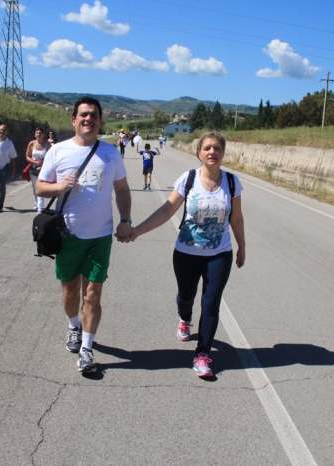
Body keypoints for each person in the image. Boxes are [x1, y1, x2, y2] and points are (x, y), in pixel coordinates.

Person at [120, 131, 245, 378]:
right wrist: (137, 231)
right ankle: (184, 318)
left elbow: (236, 217)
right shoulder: (188, 180)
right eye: (207, 148)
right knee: (186, 297)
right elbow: (166, 211)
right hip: (186, 253)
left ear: (223, 153)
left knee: (211, 303)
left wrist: (242, 246)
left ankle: (202, 353)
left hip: (220, 253)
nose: (212, 152)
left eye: (217, 148)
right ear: (199, 153)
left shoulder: (232, 183)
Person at [36, 97, 133, 374]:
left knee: (93, 294)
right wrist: (58, 188)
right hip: (67, 235)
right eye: (83, 115)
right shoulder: (58, 151)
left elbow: (123, 190)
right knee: (70, 292)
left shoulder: (111, 153)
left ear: (101, 121)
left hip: (100, 237)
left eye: (93, 115)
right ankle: (74, 327)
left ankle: (87, 350)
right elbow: (40, 187)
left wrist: (125, 220)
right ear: (74, 120)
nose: (88, 119)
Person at [25, 127, 52, 211]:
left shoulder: (48, 145)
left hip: (43, 168)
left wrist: (43, 164)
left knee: (41, 186)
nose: (38, 134)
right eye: (37, 133)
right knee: (34, 186)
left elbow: (50, 158)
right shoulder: (31, 144)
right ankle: (36, 202)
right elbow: (27, 156)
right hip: (33, 168)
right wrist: (34, 162)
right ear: (34, 134)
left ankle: (40, 207)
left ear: (43, 134)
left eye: (40, 133)